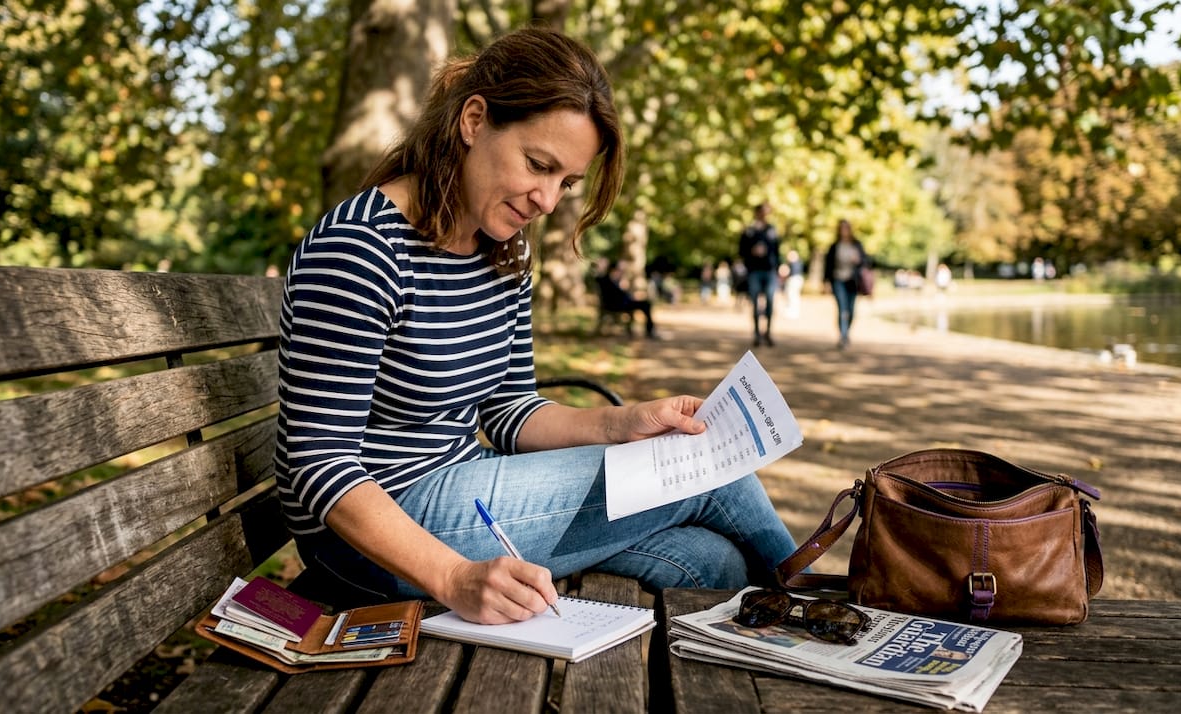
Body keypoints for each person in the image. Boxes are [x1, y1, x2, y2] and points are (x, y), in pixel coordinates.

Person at [276, 27, 797, 626]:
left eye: (567, 182)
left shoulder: (500, 251)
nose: (548, 200)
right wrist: (453, 577)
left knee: (712, 564)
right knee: (711, 475)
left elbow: (507, 410)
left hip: (469, 494)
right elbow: (316, 463)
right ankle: (845, 611)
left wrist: (620, 422)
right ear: (474, 121)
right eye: (538, 165)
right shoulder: (360, 249)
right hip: (370, 535)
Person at [738, 202, 781, 346]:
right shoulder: (749, 231)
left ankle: (767, 332)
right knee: (755, 302)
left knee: (770, 300)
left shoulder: (772, 230)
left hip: (769, 270)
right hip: (754, 271)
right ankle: (756, 333)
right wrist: (752, 252)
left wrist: (777, 266)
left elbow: (777, 250)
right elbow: (741, 250)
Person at [823, 219, 869, 349]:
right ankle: (843, 336)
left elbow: (866, 262)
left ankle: (846, 333)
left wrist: (858, 260)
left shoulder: (856, 245)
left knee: (851, 311)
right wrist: (826, 281)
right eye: (841, 228)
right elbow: (828, 265)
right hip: (838, 280)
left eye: (846, 228)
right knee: (842, 309)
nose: (843, 231)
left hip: (852, 282)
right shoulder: (835, 246)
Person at [595, 258, 657, 338]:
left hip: (621, 303)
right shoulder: (606, 280)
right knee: (646, 305)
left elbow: (621, 294)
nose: (620, 272)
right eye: (619, 270)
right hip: (617, 305)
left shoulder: (613, 280)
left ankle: (649, 330)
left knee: (645, 303)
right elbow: (618, 294)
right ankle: (650, 331)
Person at [780, 249, 805, 319]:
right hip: (795, 280)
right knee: (792, 295)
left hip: (794, 280)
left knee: (792, 295)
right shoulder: (797, 263)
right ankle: (792, 311)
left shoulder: (795, 263)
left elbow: (789, 273)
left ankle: (793, 312)